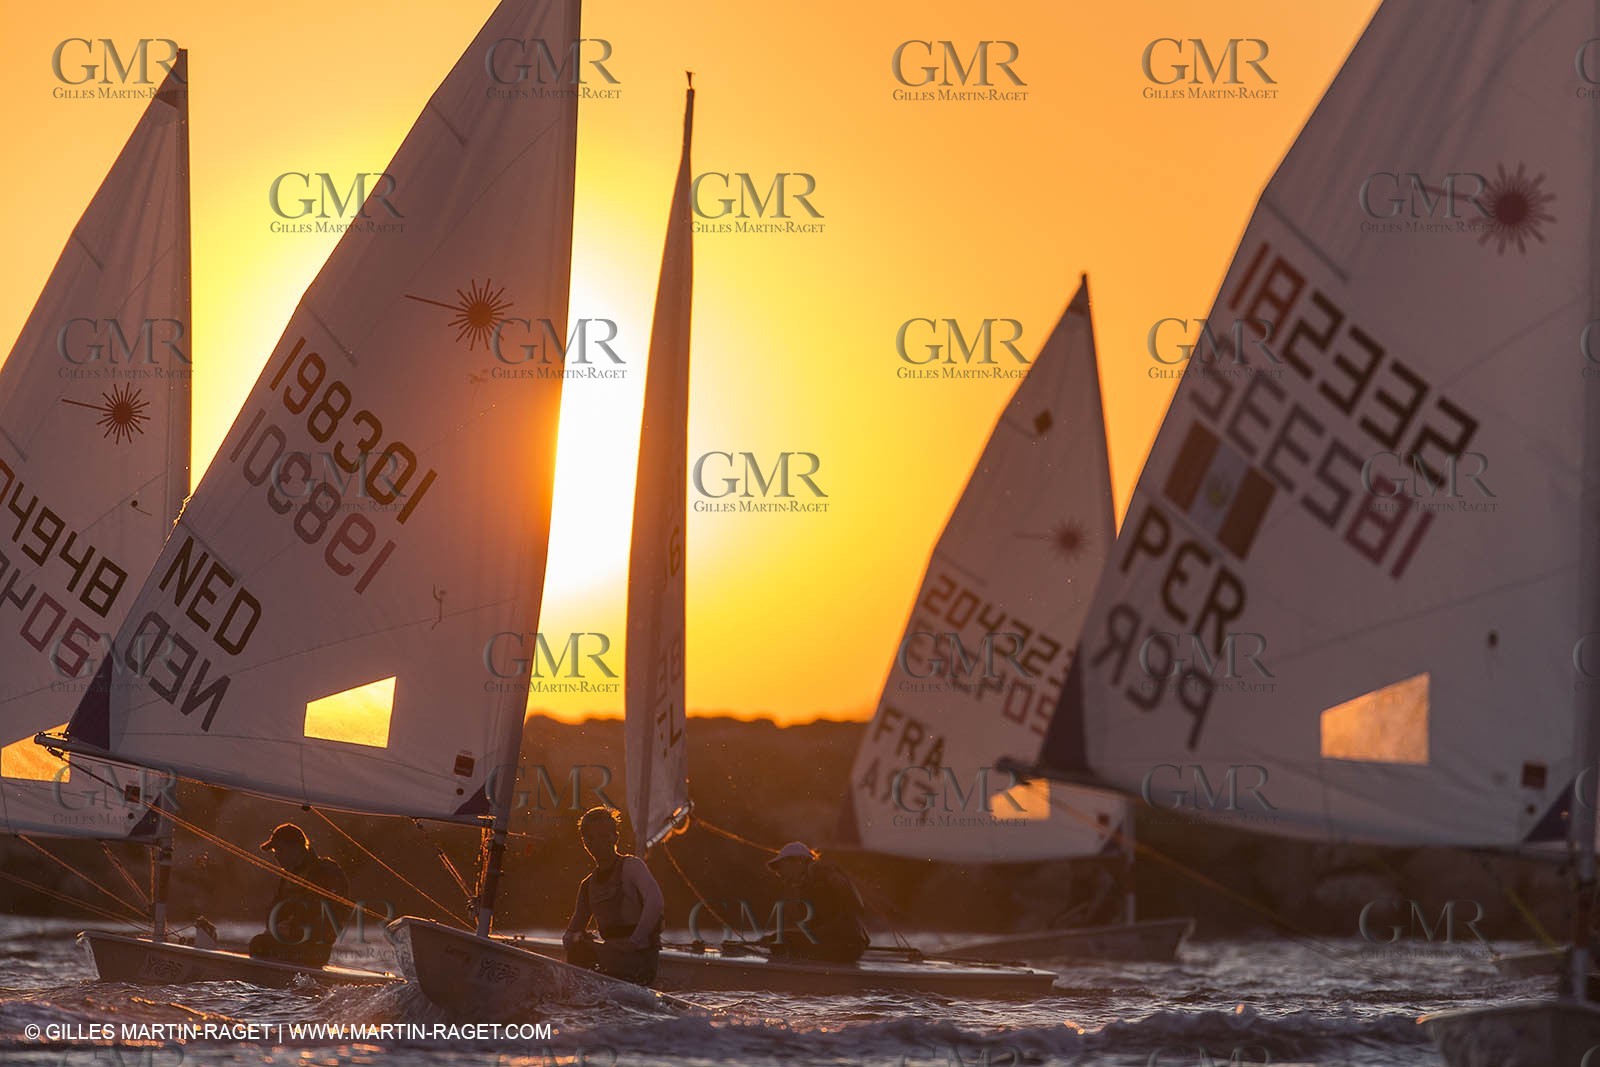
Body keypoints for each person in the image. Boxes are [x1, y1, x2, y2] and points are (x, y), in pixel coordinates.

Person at [562, 806, 664, 985]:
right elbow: (571, 933)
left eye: (604, 836)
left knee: (581, 953)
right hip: (610, 959)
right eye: (592, 838)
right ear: (585, 843)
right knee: (577, 948)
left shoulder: (632, 866)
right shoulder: (587, 885)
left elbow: (655, 902)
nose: (598, 843)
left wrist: (635, 941)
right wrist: (571, 938)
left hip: (639, 959)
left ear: (615, 837)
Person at [247, 823, 349, 967]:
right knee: (258, 944)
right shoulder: (288, 876)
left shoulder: (326, 871)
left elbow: (333, 916)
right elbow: (274, 910)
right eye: (275, 850)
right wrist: (277, 928)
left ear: (297, 849)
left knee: (261, 944)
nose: (276, 855)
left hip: (314, 948)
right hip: (287, 943)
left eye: (279, 849)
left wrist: (295, 929)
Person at [764, 841, 870, 964]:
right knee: (779, 939)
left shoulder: (821, 875)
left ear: (798, 861)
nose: (781, 875)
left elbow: (851, 908)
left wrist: (777, 938)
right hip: (848, 944)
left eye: (782, 868)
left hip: (845, 945)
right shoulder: (812, 882)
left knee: (780, 940)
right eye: (778, 873)